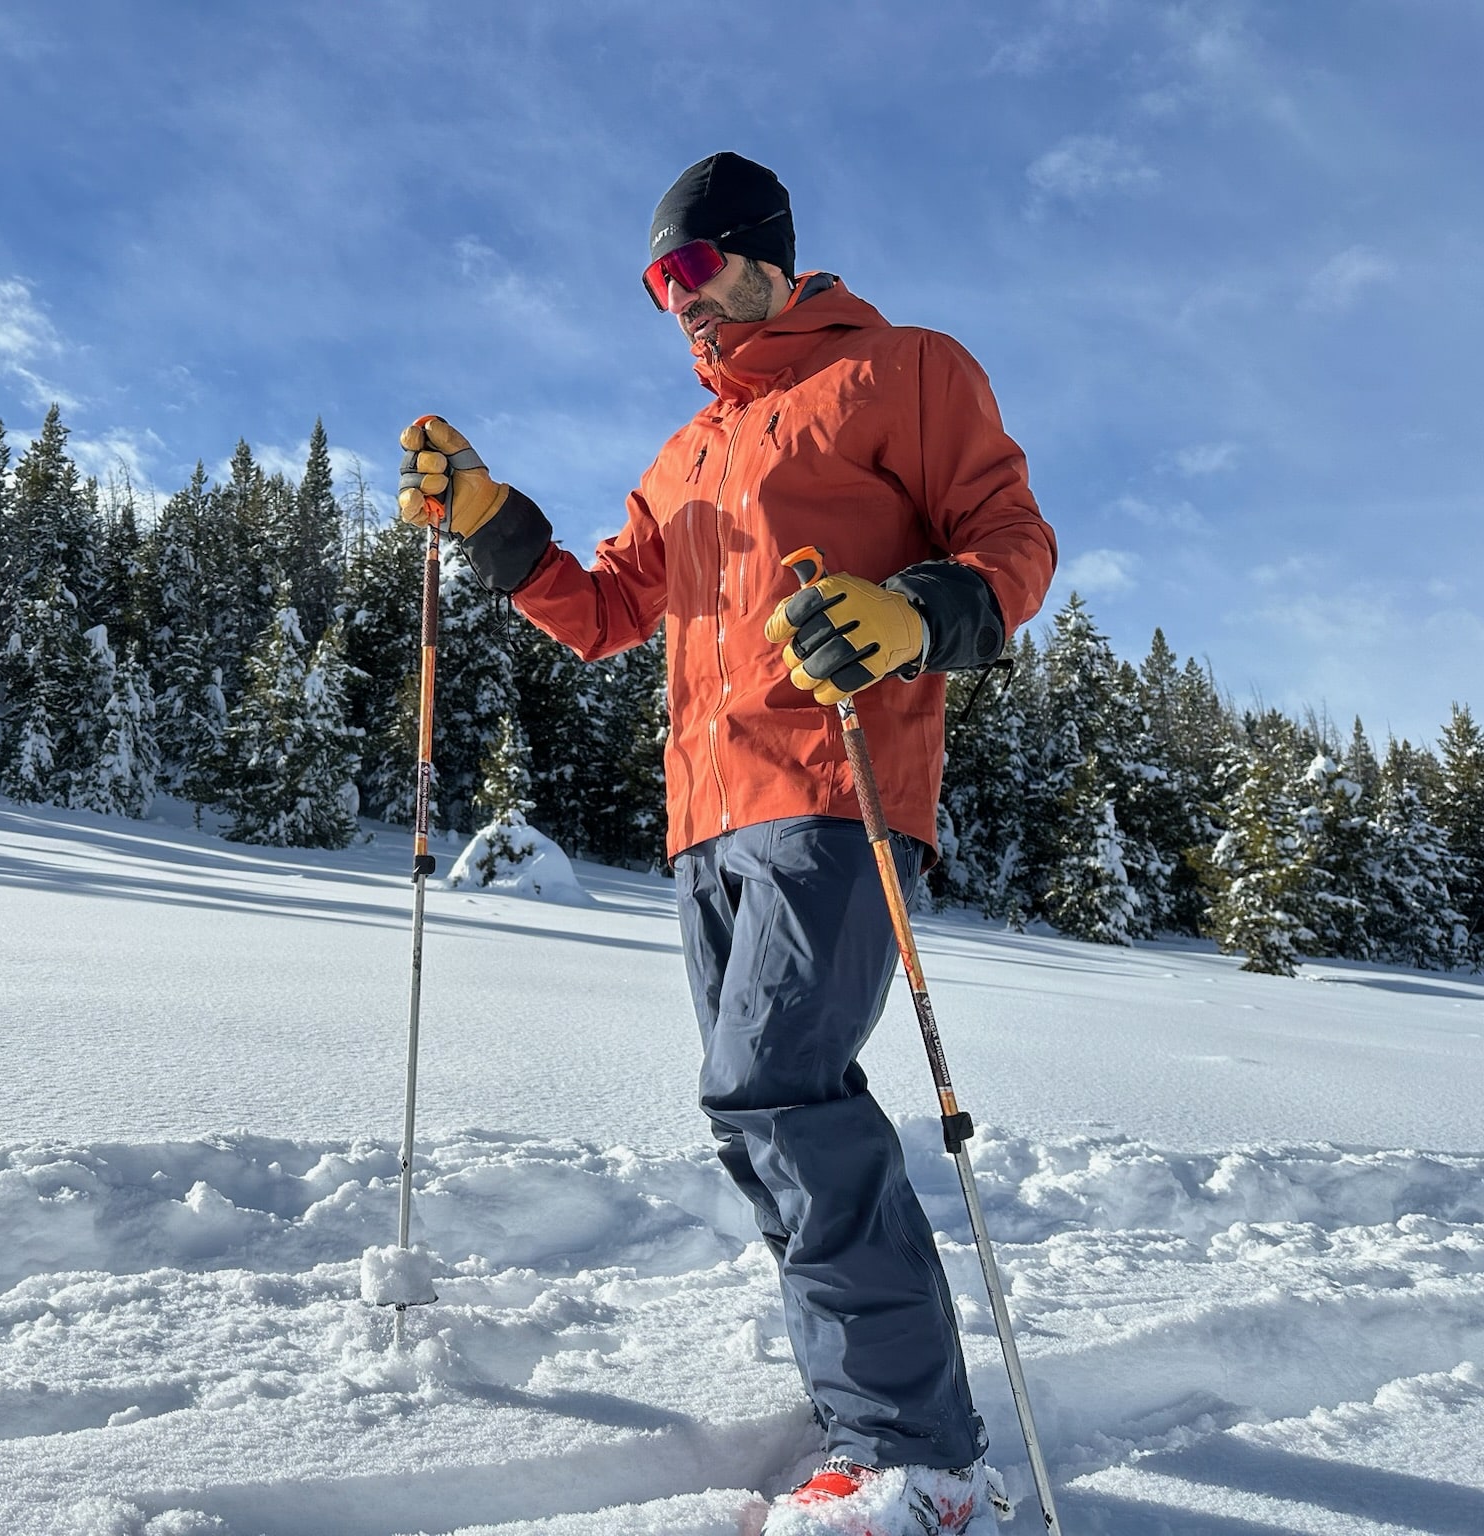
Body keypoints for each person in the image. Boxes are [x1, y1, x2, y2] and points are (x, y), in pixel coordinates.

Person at [396, 151, 1056, 1533]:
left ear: (766, 253)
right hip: (706, 826)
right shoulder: (686, 455)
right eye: (656, 286)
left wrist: (917, 610)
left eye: (692, 270)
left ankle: (921, 1460)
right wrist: (491, 524)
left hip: (837, 786)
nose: (677, 305)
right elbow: (599, 611)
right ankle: (859, 1396)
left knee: (781, 1087)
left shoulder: (905, 370)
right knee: (750, 1115)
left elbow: (1012, 539)